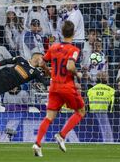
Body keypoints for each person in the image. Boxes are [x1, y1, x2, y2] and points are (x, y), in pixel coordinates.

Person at [32, 20, 85, 157]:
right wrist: (77, 73)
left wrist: (49, 72)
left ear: (61, 32)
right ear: (73, 33)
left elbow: (41, 62)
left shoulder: (53, 47)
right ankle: (61, 135)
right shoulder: (74, 49)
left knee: (49, 117)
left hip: (54, 86)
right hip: (67, 86)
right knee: (81, 111)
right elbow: (69, 66)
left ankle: (37, 144)